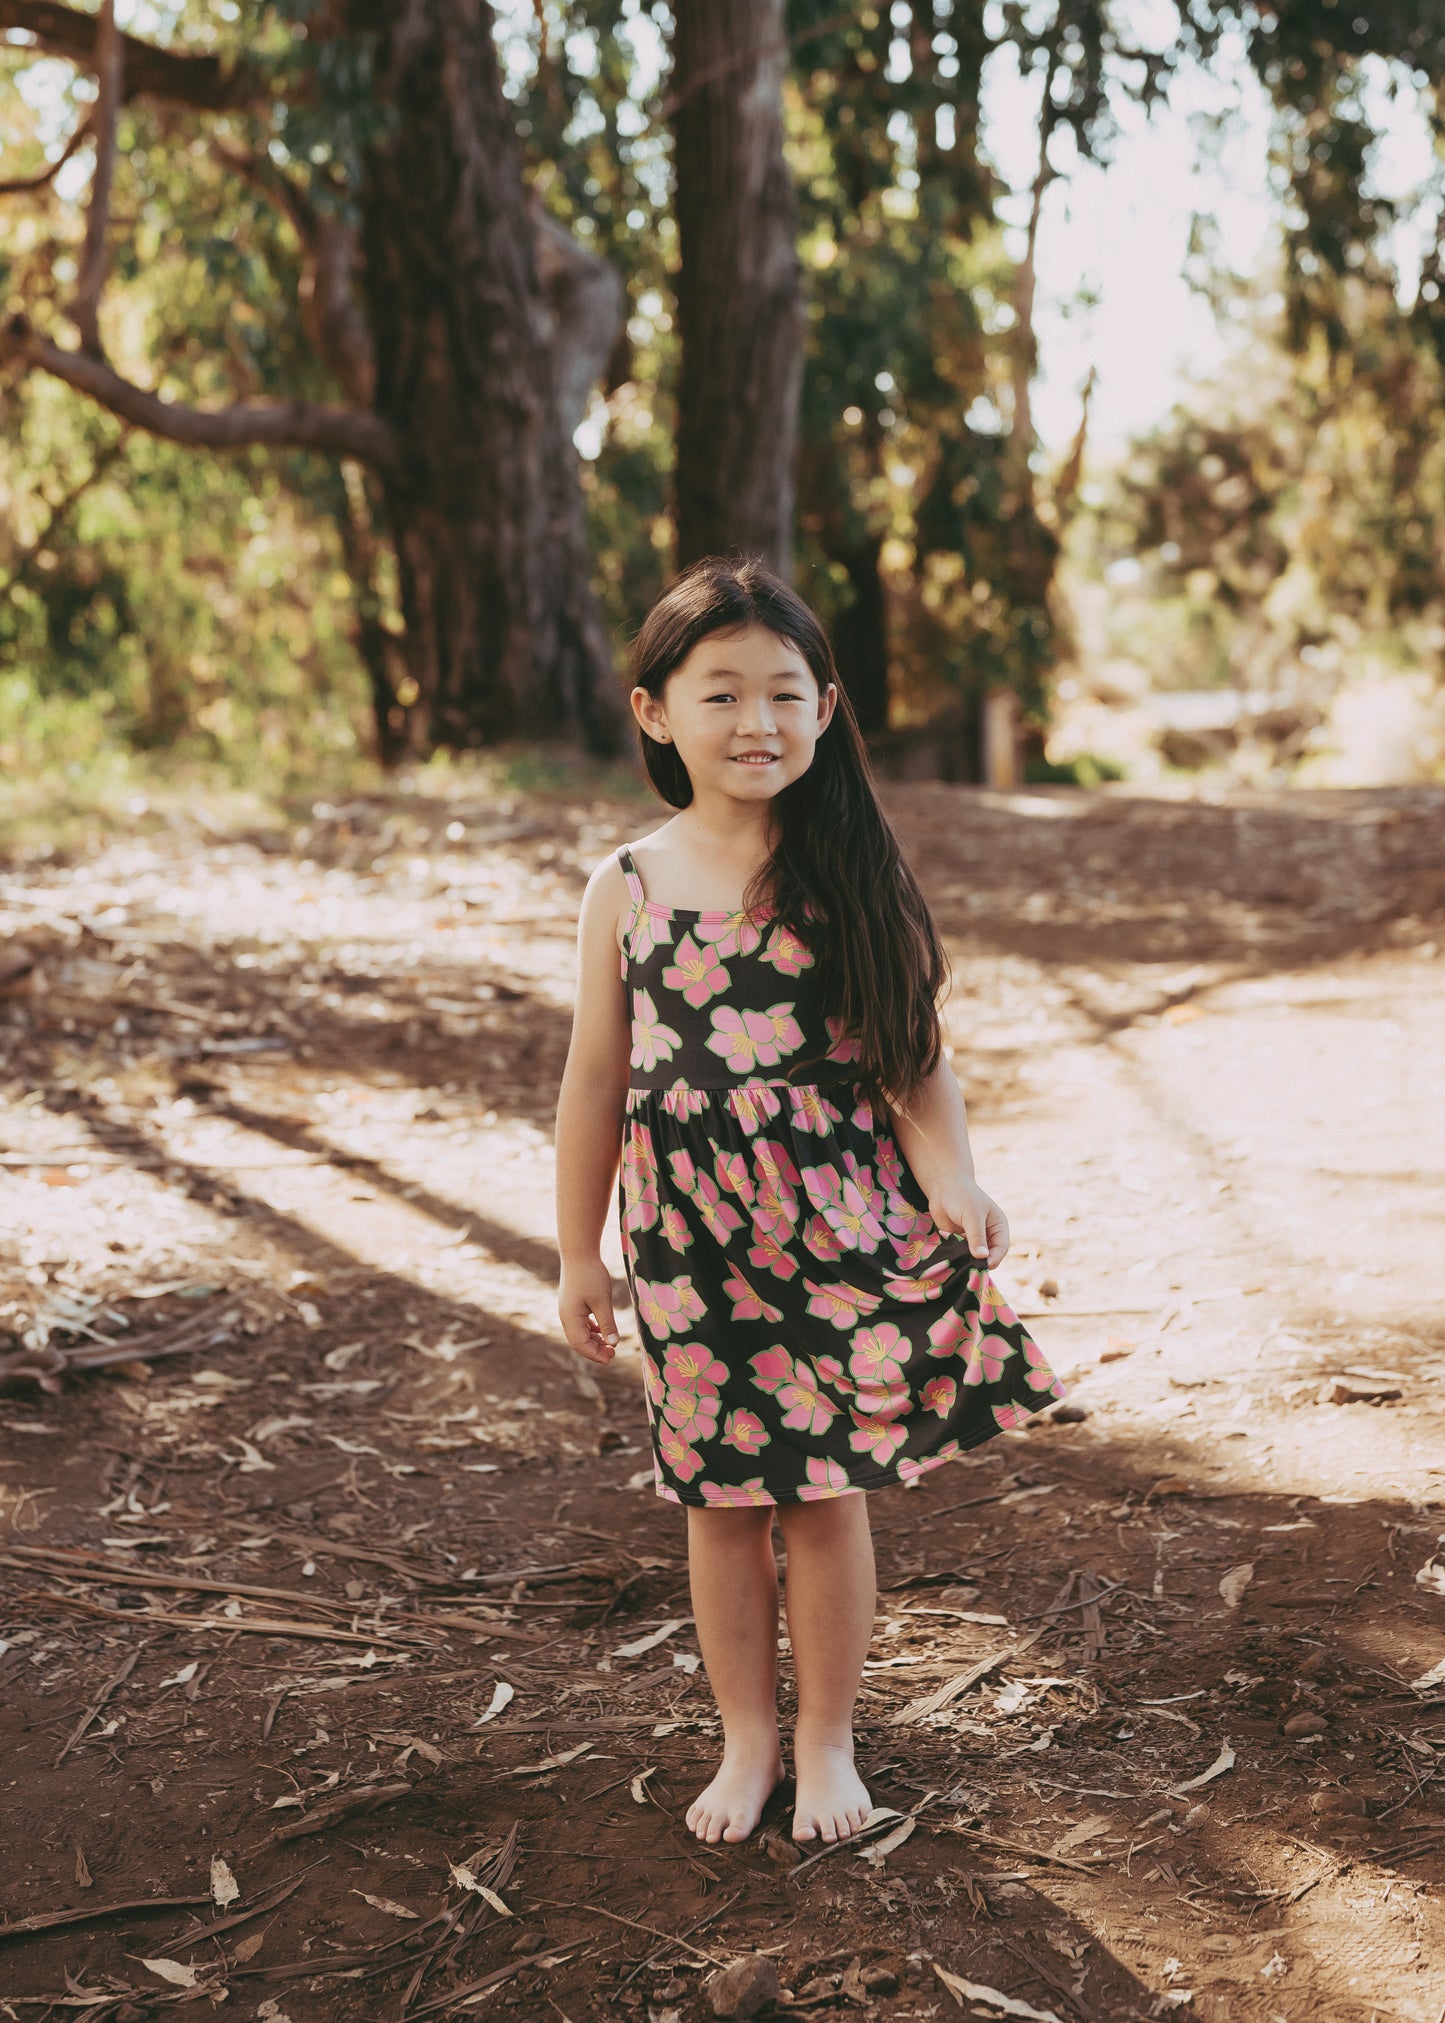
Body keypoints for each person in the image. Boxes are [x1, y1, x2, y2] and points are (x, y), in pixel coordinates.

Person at [554, 556, 1063, 1850]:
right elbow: (595, 1080)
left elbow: (913, 1052)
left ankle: (829, 1738)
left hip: (830, 1232)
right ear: (654, 713)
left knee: (823, 1491)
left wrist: (952, 1177)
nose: (755, 722)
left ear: (826, 708)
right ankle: (747, 1739)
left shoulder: (846, 866)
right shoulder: (626, 885)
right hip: (683, 1244)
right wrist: (577, 1253)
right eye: (718, 694)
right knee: (718, 1501)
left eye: (783, 692)